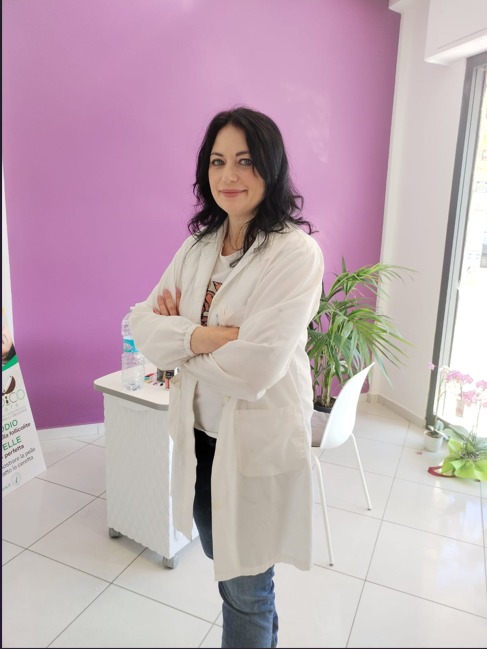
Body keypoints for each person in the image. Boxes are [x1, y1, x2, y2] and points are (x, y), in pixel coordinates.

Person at [130, 106, 324, 648]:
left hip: (253, 441)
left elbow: (255, 371)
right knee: (234, 573)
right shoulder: (198, 247)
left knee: (246, 589)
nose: (229, 176)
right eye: (217, 162)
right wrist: (213, 336)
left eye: (245, 160)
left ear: (271, 167)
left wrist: (180, 341)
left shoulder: (294, 253)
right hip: (200, 439)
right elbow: (141, 326)